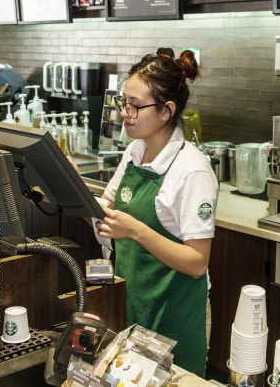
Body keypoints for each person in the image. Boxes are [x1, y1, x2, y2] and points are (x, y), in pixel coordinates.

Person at [96, 48, 218, 377]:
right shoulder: (135, 151)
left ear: (166, 111)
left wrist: (135, 230)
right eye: (124, 103)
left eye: (136, 106)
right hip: (135, 307)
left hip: (174, 319)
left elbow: (197, 263)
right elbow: (107, 208)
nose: (126, 113)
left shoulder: (192, 170)